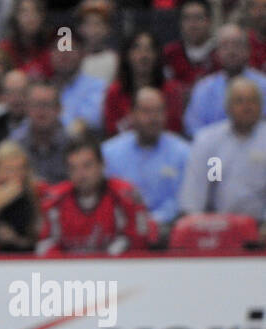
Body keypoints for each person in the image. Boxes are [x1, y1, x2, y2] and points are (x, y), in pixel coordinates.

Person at [38, 136, 155, 254]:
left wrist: (111, 259)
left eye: (87, 166)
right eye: (73, 168)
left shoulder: (125, 196)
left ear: (102, 165)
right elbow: (45, 247)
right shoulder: (54, 200)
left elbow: (140, 245)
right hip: (68, 270)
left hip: (115, 269)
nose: (81, 175)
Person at [178, 76, 266, 231]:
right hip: (217, 226)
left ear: (260, 106)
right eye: (240, 101)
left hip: (261, 226)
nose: (247, 107)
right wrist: (196, 225)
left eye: (252, 101)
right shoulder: (209, 142)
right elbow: (194, 194)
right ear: (228, 106)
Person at [102, 87, 190, 240]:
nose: (153, 118)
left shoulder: (184, 152)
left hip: (170, 232)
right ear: (131, 114)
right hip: (121, 232)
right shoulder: (109, 152)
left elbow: (187, 201)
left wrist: (154, 222)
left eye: (158, 111)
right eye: (146, 111)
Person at [184, 23, 266, 137]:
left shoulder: (263, 85)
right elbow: (194, 128)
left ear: (248, 50)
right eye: (225, 46)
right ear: (217, 53)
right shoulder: (203, 88)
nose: (231, 51)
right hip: (213, 152)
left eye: (237, 45)